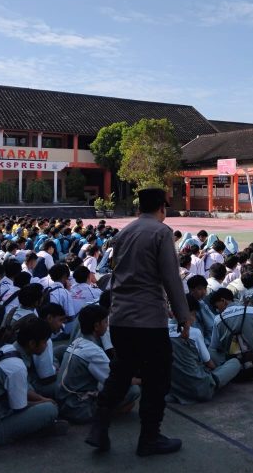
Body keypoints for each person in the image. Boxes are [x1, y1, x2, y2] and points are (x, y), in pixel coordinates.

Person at [86, 188, 189, 457]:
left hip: (120, 317)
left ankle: (99, 426)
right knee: (157, 379)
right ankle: (149, 438)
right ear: (161, 208)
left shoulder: (124, 233)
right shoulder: (161, 232)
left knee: (120, 373)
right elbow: (171, 278)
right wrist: (183, 315)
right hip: (149, 318)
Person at [0, 317, 68, 446]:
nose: (46, 345)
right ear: (31, 344)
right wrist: (43, 402)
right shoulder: (17, 367)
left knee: (42, 399)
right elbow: (19, 407)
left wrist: (41, 398)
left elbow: (24, 389)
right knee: (50, 410)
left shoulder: (7, 348)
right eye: (44, 342)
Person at [57, 304, 139, 423]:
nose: (107, 325)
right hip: (77, 407)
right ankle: (107, 413)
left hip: (65, 401)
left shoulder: (78, 341)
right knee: (133, 390)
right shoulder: (93, 351)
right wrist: (142, 380)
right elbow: (115, 381)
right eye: (105, 322)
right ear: (96, 326)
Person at [167, 294, 241, 404]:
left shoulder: (160, 331)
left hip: (174, 389)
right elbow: (210, 364)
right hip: (200, 389)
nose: (195, 318)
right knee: (235, 363)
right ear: (189, 313)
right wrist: (217, 371)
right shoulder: (194, 333)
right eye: (195, 314)